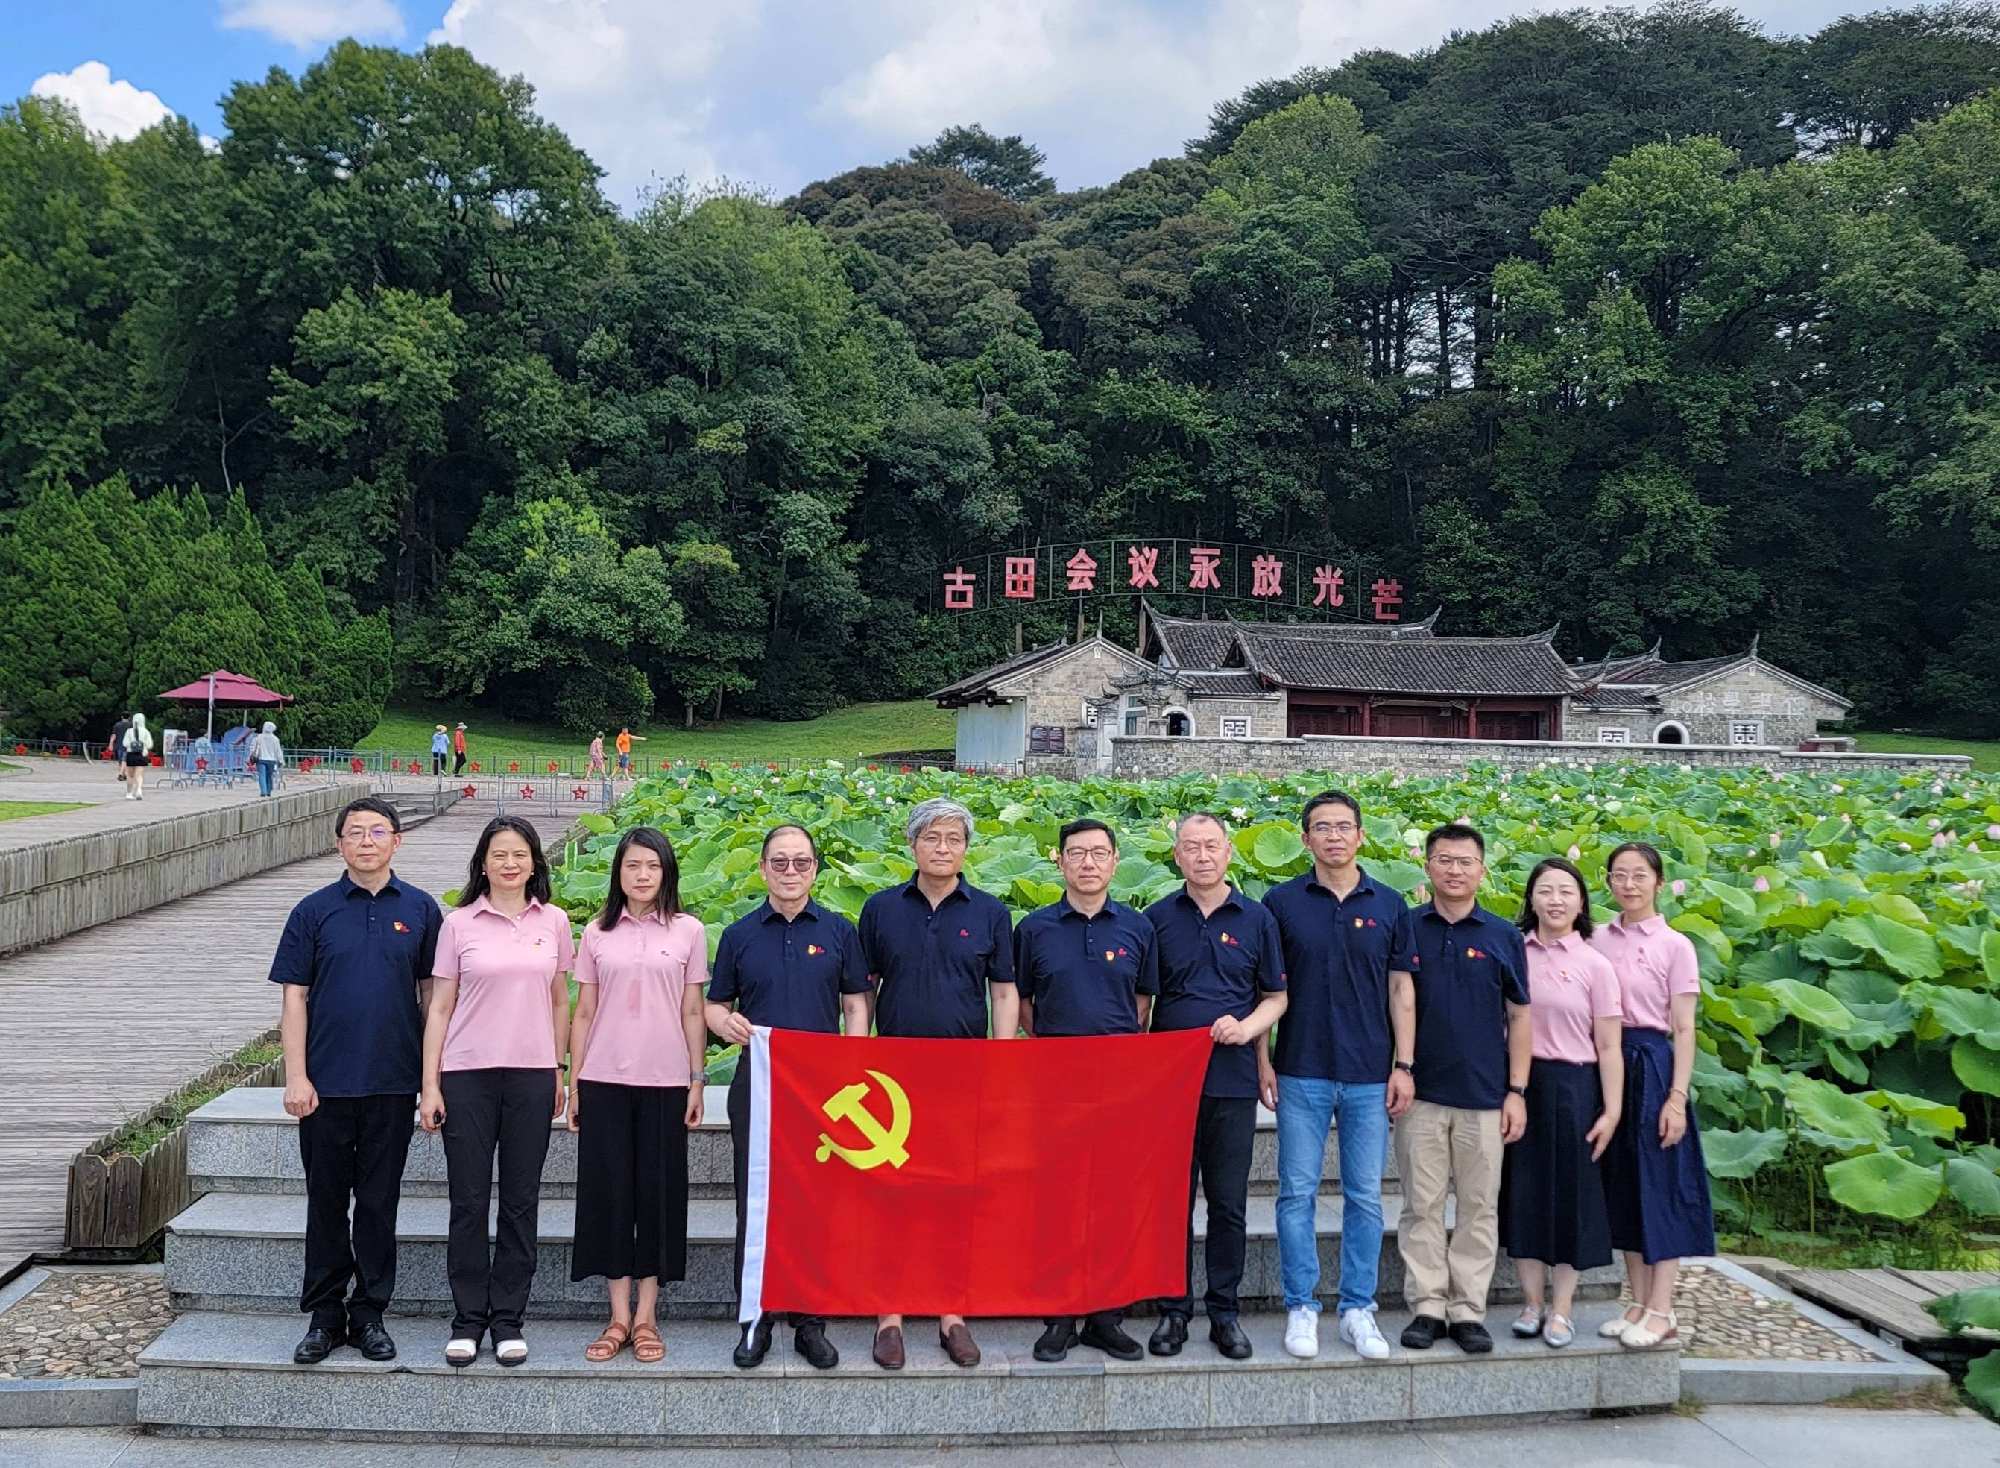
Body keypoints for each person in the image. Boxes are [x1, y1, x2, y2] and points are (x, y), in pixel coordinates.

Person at [269, 797, 443, 1366]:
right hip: (325, 1086)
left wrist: (428, 1081)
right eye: (354, 833)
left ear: (398, 840)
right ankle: (324, 1315)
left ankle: (369, 1312)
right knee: (325, 1202)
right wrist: (296, 1076)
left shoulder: (420, 910)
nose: (366, 841)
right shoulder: (313, 912)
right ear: (338, 843)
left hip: (392, 1085)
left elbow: (431, 999)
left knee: (377, 1203)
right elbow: (294, 998)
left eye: (378, 831)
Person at [857, 797, 1018, 1370]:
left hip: (964, 1073)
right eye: (932, 838)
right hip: (893, 1077)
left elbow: (1003, 993)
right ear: (913, 845)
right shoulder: (879, 909)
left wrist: (1001, 1063)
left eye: (953, 839)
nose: (943, 848)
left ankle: (952, 1311)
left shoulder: (992, 912)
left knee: (954, 1194)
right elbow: (863, 992)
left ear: (967, 849)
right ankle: (890, 1314)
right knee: (892, 1196)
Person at [706, 824, 871, 1371]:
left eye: (801, 862)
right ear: (762, 868)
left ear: (816, 870)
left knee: (816, 1205)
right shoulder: (738, 934)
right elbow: (714, 1005)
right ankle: (755, 1315)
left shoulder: (841, 931)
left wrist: (850, 1067)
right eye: (780, 862)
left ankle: (810, 1318)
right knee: (754, 1203)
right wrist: (722, 1022)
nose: (791, 871)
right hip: (757, 1085)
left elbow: (855, 1008)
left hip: (823, 1093)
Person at [1259, 789, 1417, 1363]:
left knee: (1366, 1197)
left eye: (1343, 826)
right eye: (1321, 827)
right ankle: (1301, 1304)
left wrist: (1405, 1064)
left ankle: (1357, 1308)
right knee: (1295, 1193)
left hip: (1371, 1073)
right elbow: (1267, 991)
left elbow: (1402, 989)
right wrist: (1263, 1061)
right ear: (1305, 839)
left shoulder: (1391, 904)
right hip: (1300, 1068)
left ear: (1360, 836)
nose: (1333, 836)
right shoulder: (1280, 902)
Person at [418, 816, 572, 1367]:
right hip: (467, 1075)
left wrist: (559, 1069)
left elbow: (560, 1000)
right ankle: (467, 1320)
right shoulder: (459, 924)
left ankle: (508, 1320)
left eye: (520, 854)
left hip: (532, 1075)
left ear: (535, 862)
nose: (510, 863)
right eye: (499, 854)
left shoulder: (553, 922)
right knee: (468, 1201)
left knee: (520, 1202)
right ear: (483, 863)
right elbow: (439, 1005)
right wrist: (429, 1083)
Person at [1014, 817, 1160, 1364]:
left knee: (1112, 1200)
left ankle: (1105, 1315)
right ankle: (1059, 1315)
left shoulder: (1138, 928)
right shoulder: (1032, 928)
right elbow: (1022, 1004)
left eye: (1099, 853)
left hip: (1118, 1082)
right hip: (1054, 1080)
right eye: (1077, 853)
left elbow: (1142, 1006)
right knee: (1058, 1199)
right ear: (1060, 862)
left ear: (1115, 862)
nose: (1089, 863)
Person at [1141, 811, 1287, 1362]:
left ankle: (1224, 1311)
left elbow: (1274, 996)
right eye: (1190, 847)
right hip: (1168, 1083)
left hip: (1231, 1080)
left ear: (1228, 852)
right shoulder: (1154, 919)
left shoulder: (1257, 919)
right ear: (1176, 856)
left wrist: (1253, 1040)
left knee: (1228, 1201)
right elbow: (1141, 1007)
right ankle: (1173, 1310)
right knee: (1172, 1201)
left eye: (1211, 846)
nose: (1202, 856)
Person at [568, 827, 709, 1367]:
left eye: (652, 866)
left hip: (666, 1081)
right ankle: (617, 1315)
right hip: (604, 1080)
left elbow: (694, 1012)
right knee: (609, 1198)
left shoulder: (689, 931)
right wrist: (574, 1083)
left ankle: (647, 1315)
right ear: (618, 872)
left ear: (666, 871)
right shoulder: (597, 932)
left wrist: (697, 1080)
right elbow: (583, 1013)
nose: (642, 875)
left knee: (657, 1197)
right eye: (632, 866)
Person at [1395, 823, 1531, 1355]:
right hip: (1422, 1091)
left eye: (1465, 861)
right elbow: (1398, 1001)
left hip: (1485, 1094)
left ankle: (1468, 1308)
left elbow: (1520, 1017)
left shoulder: (1504, 936)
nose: (1454, 870)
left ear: (1482, 869)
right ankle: (1427, 1305)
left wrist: (1517, 1090)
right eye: (1444, 860)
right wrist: (1401, 1066)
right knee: (1421, 1205)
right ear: (1427, 866)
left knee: (1479, 1206)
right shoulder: (1406, 928)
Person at [1592, 841, 1713, 1351]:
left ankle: (1663, 1309)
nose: (1629, 885)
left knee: (1660, 1188)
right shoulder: (1597, 938)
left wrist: (1677, 1097)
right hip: (1605, 1062)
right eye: (1619, 875)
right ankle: (1637, 1302)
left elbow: (1684, 1029)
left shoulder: (1675, 946)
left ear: (1659, 882)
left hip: (1654, 1065)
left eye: (1640, 876)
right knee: (1623, 1187)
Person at [1500, 857, 1624, 1350]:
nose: (1555, 900)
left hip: (1577, 1085)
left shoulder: (1596, 963)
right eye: (1545, 890)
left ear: (1581, 902)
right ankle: (1531, 1303)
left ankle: (1563, 1309)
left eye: (1565, 892)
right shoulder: (1514, 952)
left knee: (1572, 1196)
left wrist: (1611, 1110)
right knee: (1524, 1193)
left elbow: (1610, 1045)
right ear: (1531, 898)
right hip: (1520, 1084)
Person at [121, 712, 154, 800]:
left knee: (130, 775)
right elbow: (150, 744)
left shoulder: (129, 731)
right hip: (142, 755)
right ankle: (139, 790)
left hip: (131, 755)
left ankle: (129, 793)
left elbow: (125, 743)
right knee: (139, 775)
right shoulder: (146, 731)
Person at [252, 721, 284, 797]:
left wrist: (251, 756)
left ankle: (263, 791)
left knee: (262, 775)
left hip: (261, 759)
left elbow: (253, 748)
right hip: (271, 760)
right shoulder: (275, 739)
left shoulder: (259, 737)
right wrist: (280, 760)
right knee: (269, 776)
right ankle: (269, 791)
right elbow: (278, 751)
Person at [109, 714, 131, 782]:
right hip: (128, 745)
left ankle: (122, 775)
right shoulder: (131, 725)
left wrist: (111, 744)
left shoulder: (117, 725)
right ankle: (122, 775)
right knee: (124, 760)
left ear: (122, 717)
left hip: (119, 745)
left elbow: (114, 735)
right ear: (129, 717)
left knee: (121, 761)